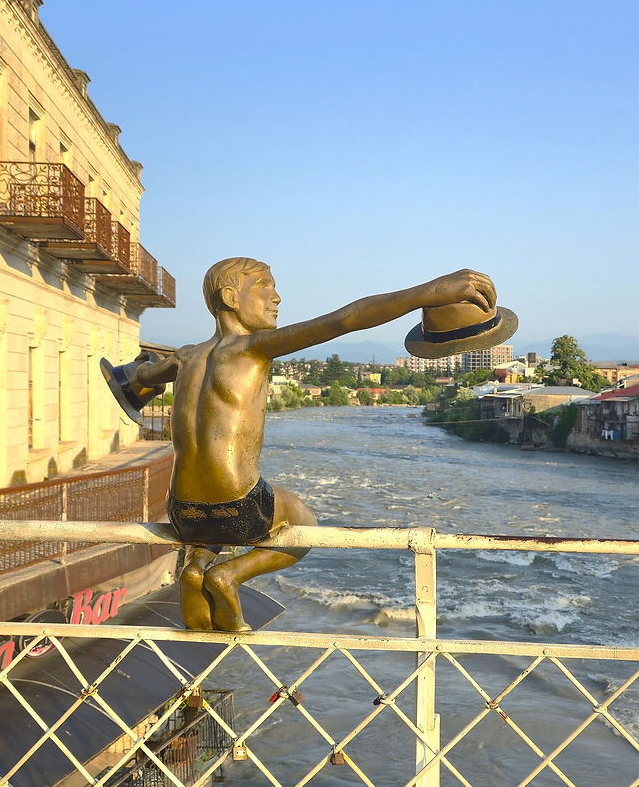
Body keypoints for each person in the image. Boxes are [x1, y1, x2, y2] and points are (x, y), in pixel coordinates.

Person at [128, 260, 497, 632]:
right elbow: (345, 320)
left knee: (214, 514)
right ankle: (229, 575)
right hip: (240, 508)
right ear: (230, 297)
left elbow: (141, 376)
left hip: (180, 512)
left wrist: (141, 377)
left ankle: (196, 565)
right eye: (264, 287)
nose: (277, 297)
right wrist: (428, 293)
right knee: (302, 518)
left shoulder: (185, 356)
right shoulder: (254, 348)